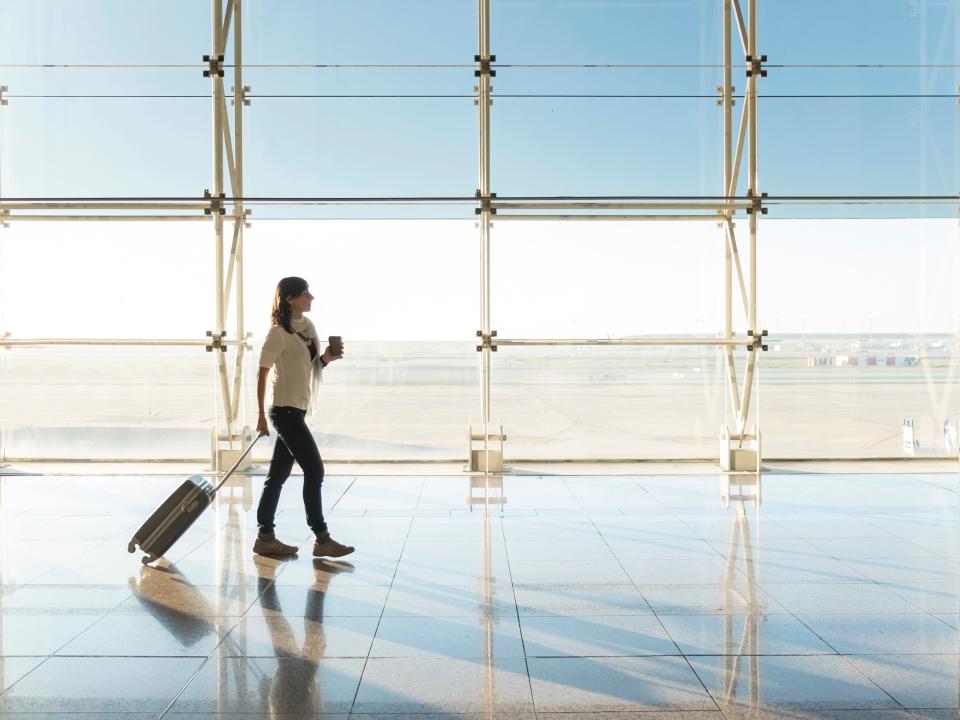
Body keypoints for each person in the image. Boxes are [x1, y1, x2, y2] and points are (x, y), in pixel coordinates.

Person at [253, 276, 354, 558]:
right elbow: (262, 373)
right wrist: (261, 415)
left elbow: (308, 368)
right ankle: (322, 538)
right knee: (315, 470)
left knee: (277, 476)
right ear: (290, 299)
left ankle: (265, 537)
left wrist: (325, 359)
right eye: (305, 293)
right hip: (283, 412)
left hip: (297, 409)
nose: (311, 297)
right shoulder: (278, 333)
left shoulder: (307, 329)